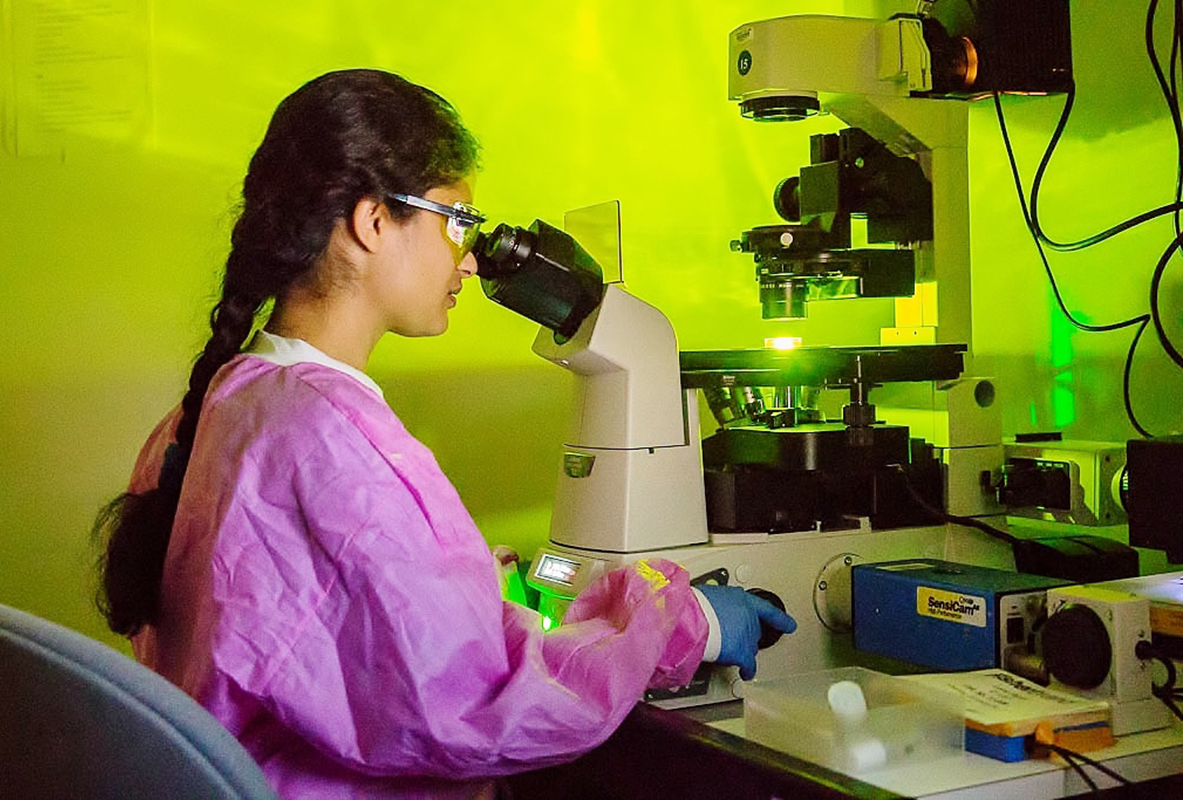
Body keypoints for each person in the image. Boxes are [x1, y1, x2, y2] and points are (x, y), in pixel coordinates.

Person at [94, 68, 796, 799]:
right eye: (456, 221)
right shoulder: (337, 439)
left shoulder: (212, 408)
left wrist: (463, 588)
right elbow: (479, 704)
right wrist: (687, 621)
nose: (467, 256)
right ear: (372, 221)